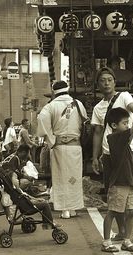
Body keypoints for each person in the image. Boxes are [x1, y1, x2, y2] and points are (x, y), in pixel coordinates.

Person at [91, 67, 133, 247]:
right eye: (102, 80)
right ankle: (123, 233)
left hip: (127, 151)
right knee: (114, 192)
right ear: (98, 84)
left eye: (109, 79)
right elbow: (97, 133)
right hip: (109, 154)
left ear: (114, 81)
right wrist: (95, 156)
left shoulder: (124, 96)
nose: (106, 83)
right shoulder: (98, 108)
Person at [37, 80, 86, 219]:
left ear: (54, 91)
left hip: (59, 145)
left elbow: (42, 123)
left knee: (61, 178)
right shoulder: (78, 104)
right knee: (74, 178)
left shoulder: (50, 106)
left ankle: (64, 209)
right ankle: (74, 207)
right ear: (68, 89)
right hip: (75, 146)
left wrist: (52, 140)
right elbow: (84, 123)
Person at [101, 107, 133, 253]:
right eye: (124, 123)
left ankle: (127, 240)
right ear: (114, 125)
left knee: (130, 212)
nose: (127, 126)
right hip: (119, 183)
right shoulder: (114, 138)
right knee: (112, 211)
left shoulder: (123, 140)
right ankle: (106, 242)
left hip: (129, 182)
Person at [1, 144, 59, 229]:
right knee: (44, 203)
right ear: (23, 152)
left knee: (26, 185)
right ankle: (49, 224)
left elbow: (14, 175)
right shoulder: (15, 160)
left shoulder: (11, 159)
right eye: (28, 153)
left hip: (15, 194)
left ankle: (49, 223)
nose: (28, 156)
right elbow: (15, 176)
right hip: (22, 201)